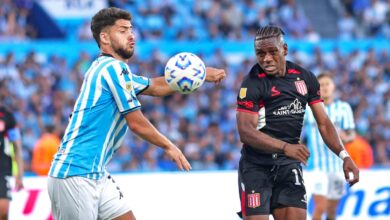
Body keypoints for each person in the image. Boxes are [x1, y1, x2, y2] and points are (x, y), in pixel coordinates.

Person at [47, 7, 226, 220]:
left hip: (96, 173)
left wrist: (200, 73)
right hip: (75, 173)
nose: (131, 35)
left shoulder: (115, 71)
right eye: (123, 31)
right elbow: (136, 123)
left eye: (131, 30)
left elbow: (155, 86)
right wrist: (169, 146)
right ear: (104, 37)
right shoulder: (111, 69)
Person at [235, 25, 359, 220]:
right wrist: (286, 147)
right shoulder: (252, 83)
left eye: (272, 52)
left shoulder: (305, 78)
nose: (266, 58)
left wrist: (344, 155)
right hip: (256, 167)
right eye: (260, 53)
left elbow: (324, 123)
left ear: (284, 49)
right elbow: (245, 131)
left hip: (288, 165)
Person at [304, 72, 357, 220]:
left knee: (332, 211)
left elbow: (352, 134)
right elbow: (299, 135)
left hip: (339, 166)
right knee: (320, 207)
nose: (325, 88)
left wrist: (346, 137)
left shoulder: (343, 108)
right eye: (321, 85)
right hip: (316, 166)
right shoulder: (308, 109)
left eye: (328, 84)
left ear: (333, 86)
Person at [0, 105, 24, 220]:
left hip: (2, 170)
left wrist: (20, 175)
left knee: (3, 211)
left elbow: (17, 147)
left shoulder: (7, 116)